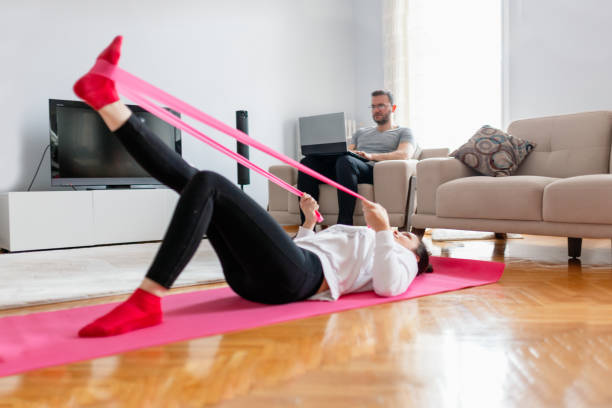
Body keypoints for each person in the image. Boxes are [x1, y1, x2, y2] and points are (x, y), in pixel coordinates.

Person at [73, 36, 432, 338]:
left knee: (210, 183)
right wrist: (308, 223)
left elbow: (388, 287)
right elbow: (305, 253)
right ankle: (108, 103)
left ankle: (148, 299)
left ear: (415, 254)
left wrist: (386, 232)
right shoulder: (374, 241)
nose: (401, 234)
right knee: (195, 181)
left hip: (294, 280)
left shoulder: (403, 260)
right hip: (264, 279)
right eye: (401, 233)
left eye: (407, 237)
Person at [297, 90, 420, 225]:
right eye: (373, 106)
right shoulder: (361, 132)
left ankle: (344, 224)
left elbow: (404, 154)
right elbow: (347, 151)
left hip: (374, 170)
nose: (376, 110)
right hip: (348, 167)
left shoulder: (403, 131)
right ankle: (307, 226)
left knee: (346, 161)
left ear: (393, 108)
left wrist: (371, 156)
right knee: (307, 163)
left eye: (381, 105)